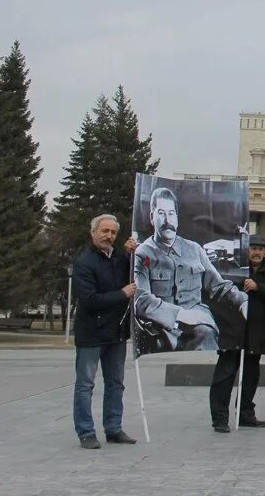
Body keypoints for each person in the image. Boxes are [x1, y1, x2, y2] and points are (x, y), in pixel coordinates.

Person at [132, 187, 247, 354]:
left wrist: (242, 301)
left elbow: (219, 286)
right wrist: (180, 315)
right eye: (161, 213)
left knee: (206, 335)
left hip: (199, 320)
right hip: (162, 325)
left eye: (171, 213)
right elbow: (141, 300)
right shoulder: (143, 253)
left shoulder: (194, 249)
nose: (167, 220)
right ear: (152, 217)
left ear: (177, 218)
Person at [71, 213, 138, 449]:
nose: (108, 236)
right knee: (85, 386)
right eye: (104, 231)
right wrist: (122, 294)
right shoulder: (84, 263)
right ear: (93, 233)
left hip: (116, 333)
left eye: (113, 233)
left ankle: (113, 429)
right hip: (91, 334)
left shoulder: (120, 258)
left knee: (116, 384)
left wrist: (133, 254)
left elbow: (137, 272)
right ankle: (86, 432)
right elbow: (89, 300)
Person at [210, 234, 265, 433]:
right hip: (232, 331)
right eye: (253, 248)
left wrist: (257, 287)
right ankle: (220, 418)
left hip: (256, 332)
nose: (257, 252)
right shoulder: (233, 268)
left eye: (260, 249)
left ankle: (245, 414)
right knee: (225, 374)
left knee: (250, 376)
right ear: (246, 250)